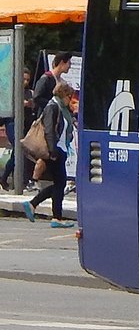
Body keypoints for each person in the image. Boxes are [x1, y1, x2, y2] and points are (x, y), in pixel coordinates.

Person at [22, 80, 76, 229]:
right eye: (69, 96)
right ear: (63, 94)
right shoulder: (53, 106)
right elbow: (49, 130)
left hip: (60, 149)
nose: (70, 100)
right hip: (55, 150)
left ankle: (34, 205)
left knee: (59, 184)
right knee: (60, 183)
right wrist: (52, 151)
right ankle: (55, 216)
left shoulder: (61, 108)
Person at [2, 67, 34, 191]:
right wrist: (21, 104)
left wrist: (31, 104)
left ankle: (6, 177)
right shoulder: (11, 91)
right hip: (11, 121)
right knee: (18, 148)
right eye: (23, 79)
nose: (25, 82)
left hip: (25, 123)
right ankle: (6, 177)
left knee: (20, 151)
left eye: (28, 80)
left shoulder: (28, 92)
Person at [32, 53, 73, 117]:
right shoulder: (46, 79)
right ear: (62, 62)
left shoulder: (62, 82)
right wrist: (54, 105)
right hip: (46, 117)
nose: (70, 66)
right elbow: (36, 97)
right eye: (69, 63)